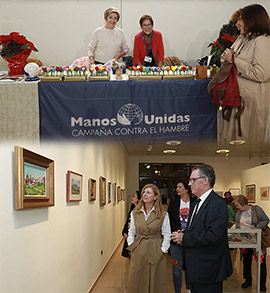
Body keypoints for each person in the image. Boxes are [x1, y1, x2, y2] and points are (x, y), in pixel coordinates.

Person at [171, 164, 233, 293]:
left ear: (205, 180)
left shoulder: (217, 204)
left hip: (209, 269)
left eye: (193, 180)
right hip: (195, 269)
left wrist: (185, 238)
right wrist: (183, 233)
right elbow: (196, 229)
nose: (189, 184)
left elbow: (214, 235)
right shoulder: (196, 203)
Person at [220, 4, 270, 145]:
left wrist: (235, 60)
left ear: (253, 20)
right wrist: (226, 60)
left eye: (241, 19)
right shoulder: (243, 38)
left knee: (248, 145)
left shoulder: (263, 41)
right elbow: (231, 57)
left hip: (252, 104)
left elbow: (261, 74)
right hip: (236, 100)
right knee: (232, 143)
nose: (237, 23)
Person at [126, 184, 171, 293]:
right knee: (137, 279)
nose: (145, 194)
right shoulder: (135, 212)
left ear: (155, 197)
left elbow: (167, 234)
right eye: (144, 192)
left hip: (155, 249)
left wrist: (162, 250)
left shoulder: (163, 214)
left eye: (148, 192)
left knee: (156, 281)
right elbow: (131, 231)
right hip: (139, 248)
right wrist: (132, 246)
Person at [234, 195, 269, 292]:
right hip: (245, 242)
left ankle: (262, 284)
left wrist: (257, 226)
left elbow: (266, 220)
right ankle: (247, 280)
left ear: (243, 203)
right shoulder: (238, 214)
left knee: (261, 262)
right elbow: (237, 226)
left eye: (237, 205)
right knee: (246, 261)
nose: (237, 207)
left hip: (258, 241)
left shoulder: (257, 210)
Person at [167, 180, 196, 293]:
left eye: (180, 187)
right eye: (177, 187)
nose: (177, 189)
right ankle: (177, 291)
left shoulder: (195, 202)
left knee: (189, 267)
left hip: (190, 240)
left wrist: (186, 234)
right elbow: (169, 220)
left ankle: (189, 289)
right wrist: (176, 233)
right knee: (176, 267)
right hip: (175, 240)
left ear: (186, 189)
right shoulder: (174, 203)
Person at [121, 191, 141, 258]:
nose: (132, 198)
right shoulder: (132, 209)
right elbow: (128, 222)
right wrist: (125, 232)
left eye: (134, 196)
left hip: (137, 237)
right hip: (130, 236)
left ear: (138, 199)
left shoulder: (141, 211)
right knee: (130, 255)